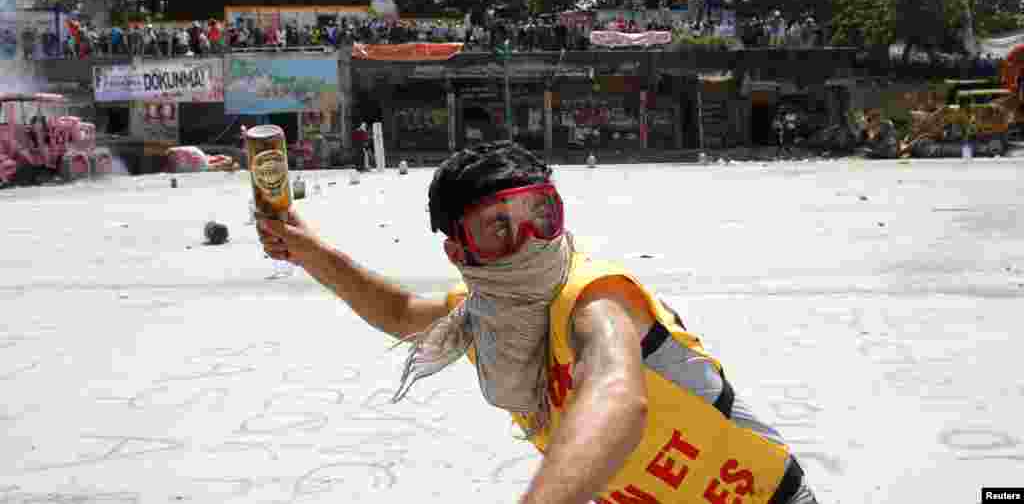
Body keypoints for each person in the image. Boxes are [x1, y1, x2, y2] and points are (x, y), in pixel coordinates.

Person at [257, 141, 818, 504]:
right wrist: (308, 252)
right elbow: (402, 314)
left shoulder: (598, 297)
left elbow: (616, 395)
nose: (528, 240)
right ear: (460, 251)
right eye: (497, 228)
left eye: (538, 216)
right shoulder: (486, 315)